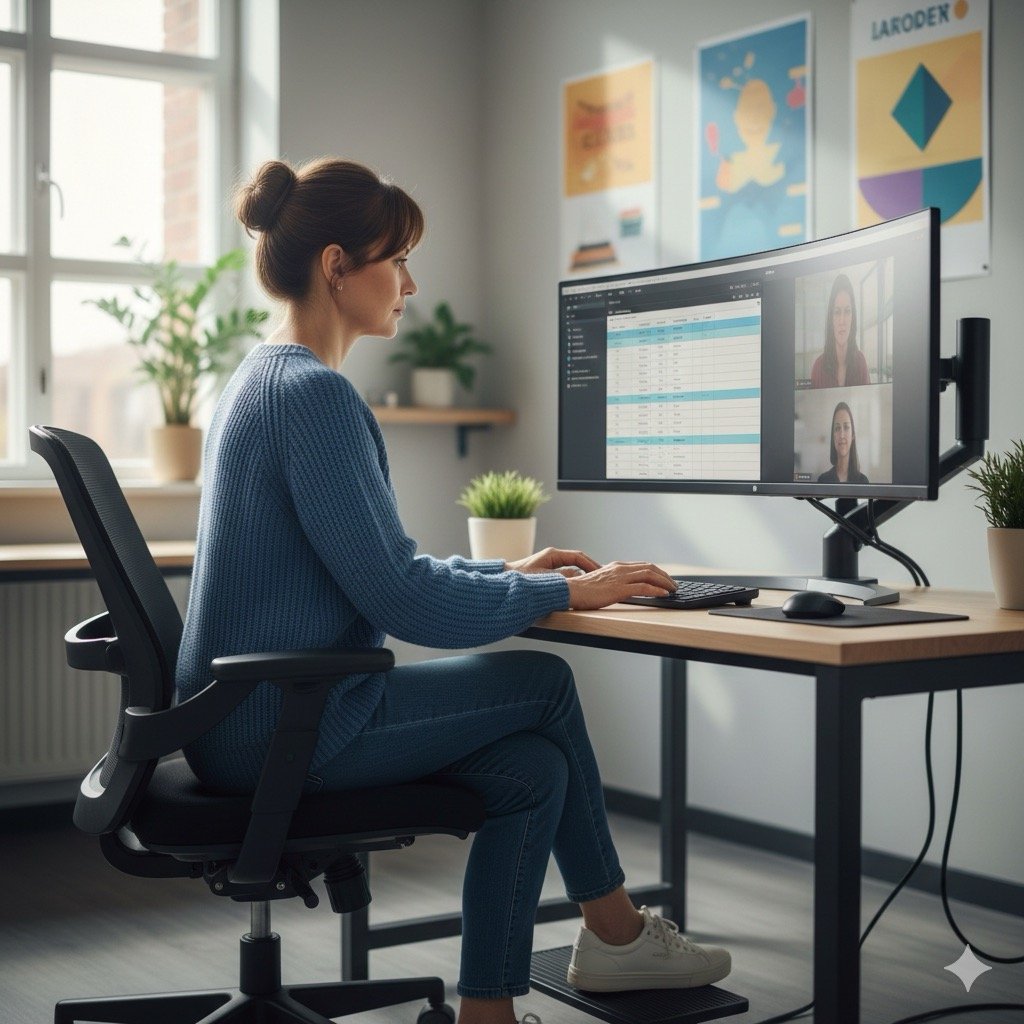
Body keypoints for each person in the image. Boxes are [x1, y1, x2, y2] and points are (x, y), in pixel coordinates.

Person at [174, 157, 732, 1024]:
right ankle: (618, 937)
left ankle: (490, 1010)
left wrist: (512, 572)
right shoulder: (314, 397)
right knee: (543, 682)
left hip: (246, 717)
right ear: (336, 267)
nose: (410, 282)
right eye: (395, 259)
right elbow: (404, 600)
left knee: (531, 770)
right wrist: (566, 598)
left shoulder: (262, 380)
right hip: (281, 726)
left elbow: (377, 564)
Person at [810, 273, 870, 389]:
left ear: (853, 317)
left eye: (847, 311)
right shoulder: (818, 368)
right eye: (837, 312)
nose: (842, 321)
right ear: (831, 318)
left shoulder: (861, 362)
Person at [817, 401, 868, 485]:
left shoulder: (863, 481)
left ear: (853, 435)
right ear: (833, 436)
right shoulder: (823, 480)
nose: (841, 435)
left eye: (846, 427)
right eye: (837, 428)